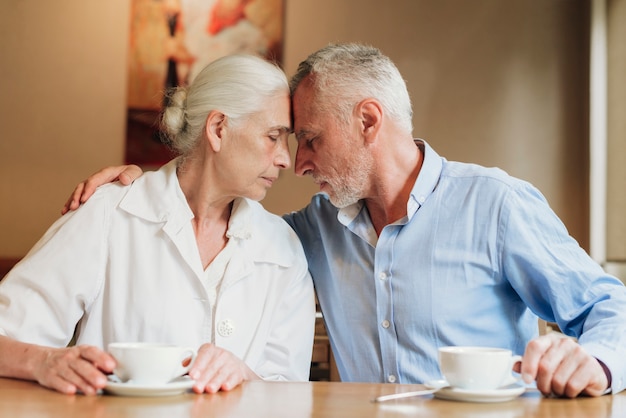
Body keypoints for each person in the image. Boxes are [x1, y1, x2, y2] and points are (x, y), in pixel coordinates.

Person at [62, 43, 626, 398]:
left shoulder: (495, 206)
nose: (297, 162)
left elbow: (611, 307)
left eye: (309, 139)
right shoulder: (312, 227)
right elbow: (223, 212)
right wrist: (150, 181)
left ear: (368, 121)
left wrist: (595, 362)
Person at [0, 54, 315, 396]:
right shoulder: (108, 213)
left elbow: (291, 394)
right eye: (273, 136)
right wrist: (45, 362)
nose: (286, 158)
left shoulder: (283, 248)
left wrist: (244, 374)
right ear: (218, 129)